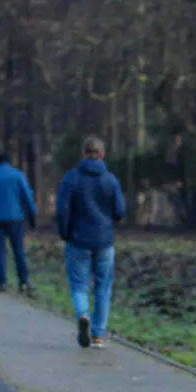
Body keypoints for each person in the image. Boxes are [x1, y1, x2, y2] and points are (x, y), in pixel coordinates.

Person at [56, 136, 125, 349]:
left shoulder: (72, 179)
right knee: (103, 287)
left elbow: (62, 210)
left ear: (83, 153)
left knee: (79, 284)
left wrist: (65, 233)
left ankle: (83, 314)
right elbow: (120, 212)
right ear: (102, 155)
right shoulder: (111, 180)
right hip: (105, 241)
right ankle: (97, 334)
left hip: (78, 240)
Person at [0, 151, 38, 295]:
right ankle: (23, 281)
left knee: (0, 250)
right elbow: (27, 196)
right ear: (9, 162)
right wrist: (32, 216)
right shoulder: (18, 175)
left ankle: (2, 282)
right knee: (19, 250)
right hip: (15, 218)